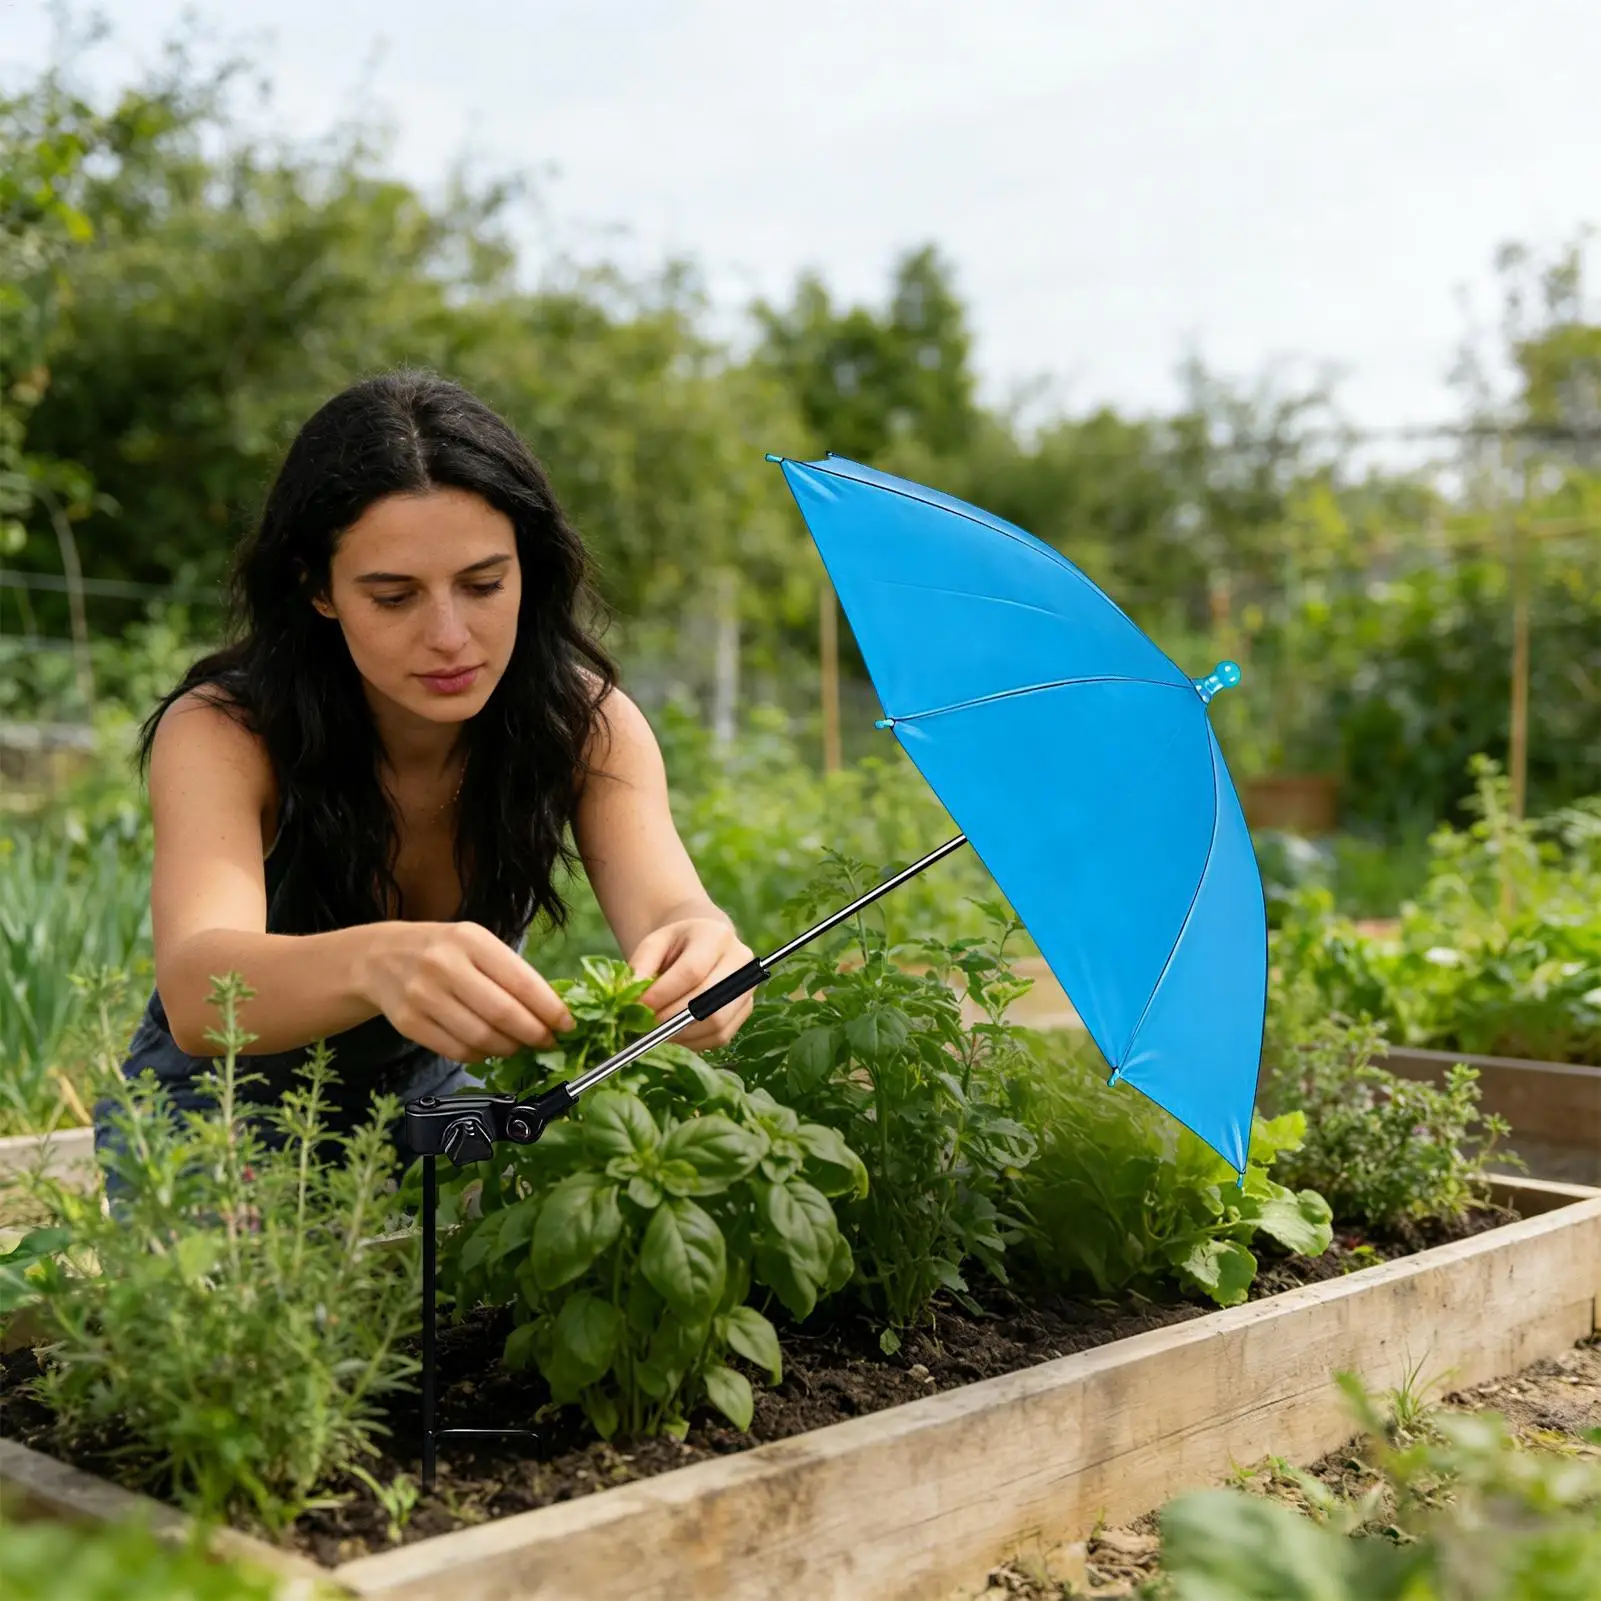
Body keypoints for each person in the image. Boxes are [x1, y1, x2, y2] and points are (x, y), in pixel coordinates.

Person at [93, 369, 758, 1199]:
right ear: (317, 588)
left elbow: (670, 910)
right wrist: (379, 960)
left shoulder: (584, 725)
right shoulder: (229, 731)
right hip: (214, 1114)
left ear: (528, 568)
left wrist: (704, 946)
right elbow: (199, 991)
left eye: (483, 585)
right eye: (394, 596)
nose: (449, 636)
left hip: (434, 1100)